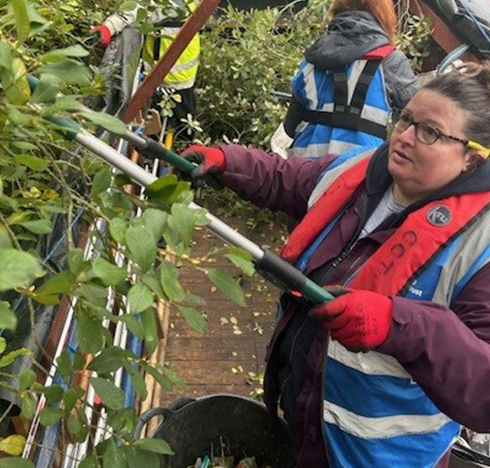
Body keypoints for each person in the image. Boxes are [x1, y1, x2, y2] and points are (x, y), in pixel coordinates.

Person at [180, 64, 490, 468]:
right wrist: (223, 159)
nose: (406, 137)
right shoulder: (359, 171)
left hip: (378, 458)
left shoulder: (479, 246)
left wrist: (399, 324)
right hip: (304, 421)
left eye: (429, 132)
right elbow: (286, 178)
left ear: (470, 159)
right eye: (407, 119)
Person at [282, 0, 419, 159]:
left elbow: (289, 127)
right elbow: (422, 116)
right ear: (382, 16)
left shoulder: (312, 60)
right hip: (359, 169)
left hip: (303, 168)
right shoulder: (390, 60)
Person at [92, 0, 202, 145]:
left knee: (175, 140)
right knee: (148, 134)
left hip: (174, 80)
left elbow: (142, 9)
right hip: (154, 73)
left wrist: (109, 27)